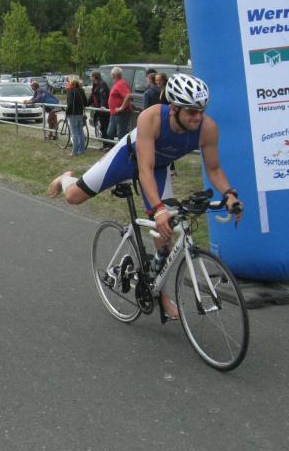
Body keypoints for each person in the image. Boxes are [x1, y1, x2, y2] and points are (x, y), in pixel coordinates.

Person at [47, 74, 243, 319]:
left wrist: (229, 194)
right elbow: (144, 169)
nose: (197, 117)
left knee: (165, 234)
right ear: (174, 108)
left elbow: (213, 169)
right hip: (127, 158)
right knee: (74, 197)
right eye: (192, 111)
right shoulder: (152, 117)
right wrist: (158, 209)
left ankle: (160, 293)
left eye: (201, 111)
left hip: (158, 168)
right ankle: (65, 178)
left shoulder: (208, 129)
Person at [107, 67, 132, 141]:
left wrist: (121, 107)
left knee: (121, 135)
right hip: (114, 113)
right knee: (110, 133)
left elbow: (128, 95)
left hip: (121, 114)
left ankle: (125, 147)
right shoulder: (117, 83)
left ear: (113, 75)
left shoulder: (120, 83)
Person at [64, 77, 87, 156]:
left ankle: (75, 152)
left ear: (71, 83)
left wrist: (67, 112)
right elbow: (85, 102)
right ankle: (82, 150)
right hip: (80, 113)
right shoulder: (81, 90)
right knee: (80, 131)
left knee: (74, 133)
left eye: (68, 83)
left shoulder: (70, 91)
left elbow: (70, 104)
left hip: (73, 114)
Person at [89, 70, 110, 148]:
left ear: (95, 77)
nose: (90, 77)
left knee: (105, 126)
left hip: (103, 110)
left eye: (91, 76)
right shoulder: (95, 85)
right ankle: (105, 144)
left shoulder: (102, 84)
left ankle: (108, 144)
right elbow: (92, 96)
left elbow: (103, 96)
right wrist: (85, 104)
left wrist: (103, 106)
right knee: (101, 127)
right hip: (98, 109)